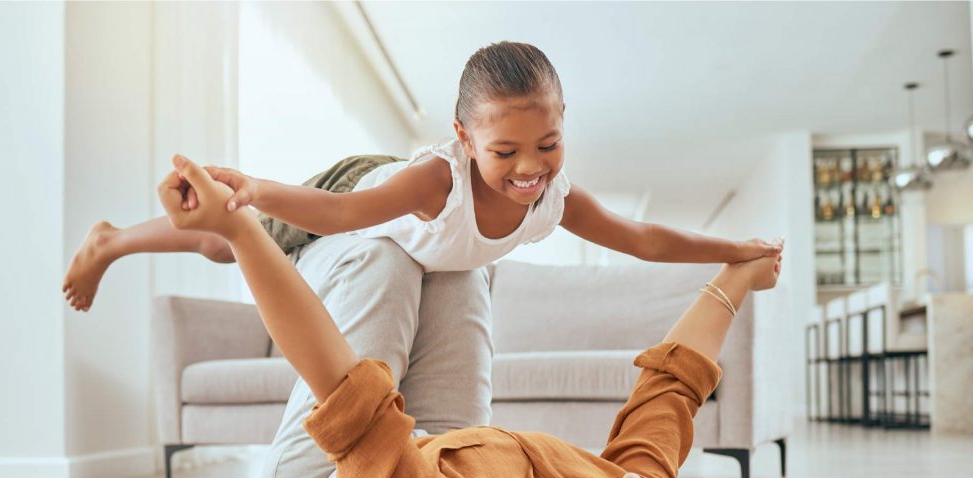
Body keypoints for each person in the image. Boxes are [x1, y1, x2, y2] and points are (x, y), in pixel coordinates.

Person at [157, 152, 821, 478]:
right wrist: (737, 275)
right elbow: (668, 397)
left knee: (384, 255)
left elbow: (346, 390)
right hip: (441, 455)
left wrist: (240, 230)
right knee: (458, 254)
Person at [62, 41, 782, 312]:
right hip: (359, 183)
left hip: (398, 219)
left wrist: (732, 249)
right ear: (466, 140)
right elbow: (341, 214)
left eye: (550, 143)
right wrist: (252, 190)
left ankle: (121, 237)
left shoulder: (552, 198)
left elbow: (642, 237)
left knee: (229, 242)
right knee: (225, 241)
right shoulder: (438, 182)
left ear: (564, 122)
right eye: (505, 154)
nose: (530, 168)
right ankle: (111, 240)